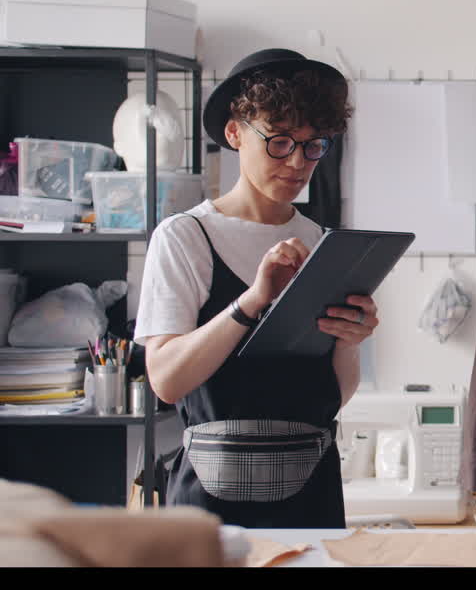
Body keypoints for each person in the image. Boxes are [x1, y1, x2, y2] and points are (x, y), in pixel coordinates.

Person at [134, 48, 377, 528]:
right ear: (235, 133)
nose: (298, 162)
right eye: (280, 142)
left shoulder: (321, 243)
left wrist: (350, 340)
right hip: (211, 503)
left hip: (310, 493)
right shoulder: (186, 236)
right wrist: (252, 301)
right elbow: (166, 380)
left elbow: (333, 395)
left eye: (313, 145)